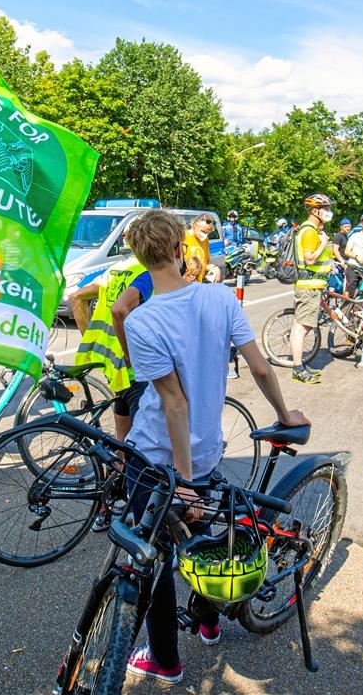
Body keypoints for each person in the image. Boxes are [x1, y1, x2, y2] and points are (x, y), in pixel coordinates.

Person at [119, 209, 307, 685]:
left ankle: (165, 660)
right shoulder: (220, 298)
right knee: (207, 542)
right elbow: (261, 369)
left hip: (159, 458)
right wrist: (285, 416)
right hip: (206, 450)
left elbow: (172, 404)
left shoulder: (142, 322)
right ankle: (208, 620)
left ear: (138, 259)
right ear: (182, 251)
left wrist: (180, 481)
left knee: (156, 557)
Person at [73, 244, 154, 442]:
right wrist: (128, 353)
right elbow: (119, 310)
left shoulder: (116, 269)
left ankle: (119, 462)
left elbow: (75, 297)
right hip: (131, 361)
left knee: (123, 403)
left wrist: (89, 336)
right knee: (142, 439)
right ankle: (129, 467)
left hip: (110, 360)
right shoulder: (148, 272)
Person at [289, 194, 334, 384]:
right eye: (325, 209)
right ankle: (298, 369)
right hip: (309, 287)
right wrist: (323, 242)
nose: (328, 212)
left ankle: (299, 365)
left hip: (311, 285)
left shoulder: (313, 229)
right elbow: (309, 259)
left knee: (298, 325)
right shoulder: (309, 232)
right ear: (315, 211)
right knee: (302, 327)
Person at [181, 214, 215, 282]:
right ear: (194, 224)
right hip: (184, 283)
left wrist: (214, 268)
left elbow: (206, 263)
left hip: (198, 283)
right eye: (203, 231)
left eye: (208, 233)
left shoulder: (206, 240)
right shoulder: (183, 237)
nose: (205, 235)